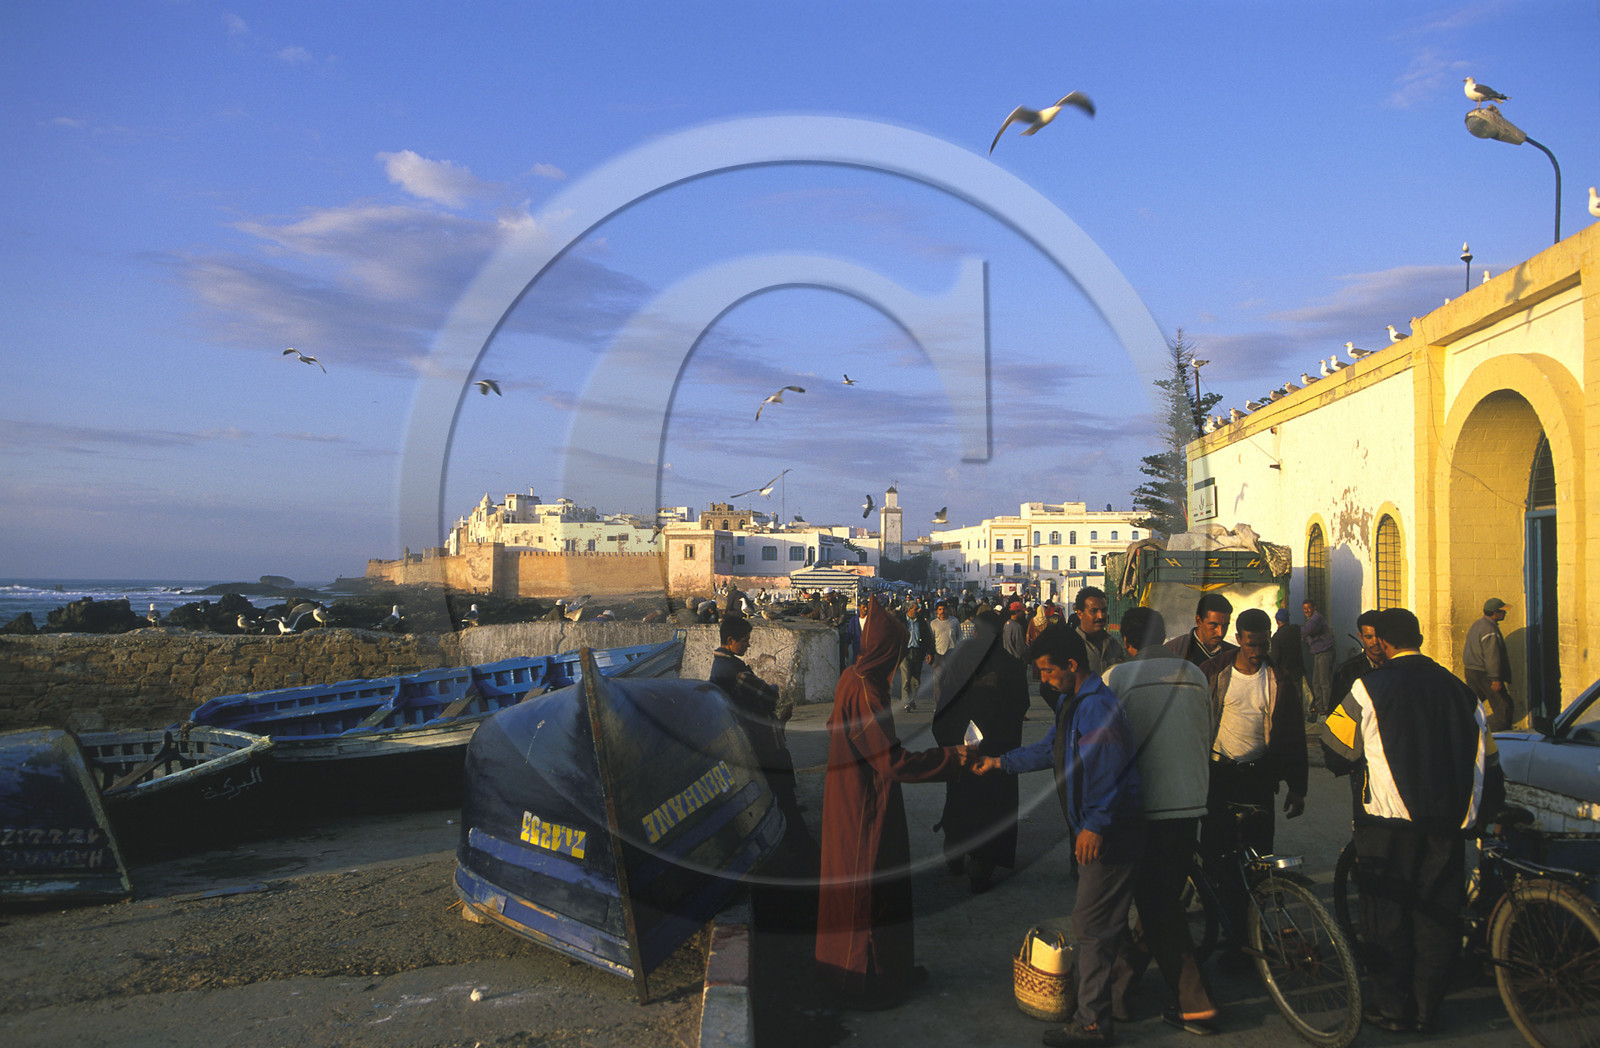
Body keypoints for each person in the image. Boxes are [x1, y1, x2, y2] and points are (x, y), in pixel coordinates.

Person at [1321, 608, 1504, 1035]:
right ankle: (1427, 1011)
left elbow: (1333, 748)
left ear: (1382, 642)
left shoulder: (1367, 687)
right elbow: (1489, 760)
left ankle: (1392, 1009)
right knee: (1438, 915)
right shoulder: (1461, 692)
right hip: (1448, 823)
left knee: (1387, 914)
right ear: (1418, 638)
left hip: (1387, 822)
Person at [976, 623, 1142, 1046]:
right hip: (1099, 825)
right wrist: (1001, 763)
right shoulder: (1074, 700)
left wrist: (1094, 827)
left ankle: (1092, 1022)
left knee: (1090, 925)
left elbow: (1108, 772)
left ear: (1072, 665)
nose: (1045, 681)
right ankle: (1120, 997)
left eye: (1048, 672)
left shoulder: (1096, 708)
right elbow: (1049, 749)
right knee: (1109, 922)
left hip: (1112, 830)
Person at [815, 596, 974, 1010]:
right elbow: (892, 761)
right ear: (888, 651)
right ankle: (864, 980)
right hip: (863, 803)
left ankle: (888, 968)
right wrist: (952, 758)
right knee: (867, 887)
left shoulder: (853, 676)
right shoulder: (867, 691)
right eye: (899, 651)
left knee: (877, 884)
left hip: (854, 797)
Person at [1103, 607, 1219, 1036]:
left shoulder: (1117, 678)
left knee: (1153, 905)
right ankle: (1118, 991)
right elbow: (1207, 730)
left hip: (1144, 807)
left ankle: (1196, 1002)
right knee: (1161, 898)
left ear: (1127, 642)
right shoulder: (1195, 673)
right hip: (1191, 802)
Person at [1199, 607, 1307, 935]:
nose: (1258, 653)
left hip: (1259, 779)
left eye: (1263, 646)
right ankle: (1222, 927)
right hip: (1219, 777)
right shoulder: (1212, 673)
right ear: (1238, 640)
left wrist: (1297, 786)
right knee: (1217, 860)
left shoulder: (1280, 679)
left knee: (1260, 863)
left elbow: (1292, 734)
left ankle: (1252, 934)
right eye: (1251, 646)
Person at [925, 609, 1031, 892]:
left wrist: (949, 743)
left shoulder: (960, 659)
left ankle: (955, 853)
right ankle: (981, 868)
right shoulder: (1010, 664)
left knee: (960, 800)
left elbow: (945, 703)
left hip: (961, 749)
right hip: (997, 751)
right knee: (993, 808)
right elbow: (1021, 705)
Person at [708, 614, 813, 863]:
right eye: (745, 641)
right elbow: (769, 695)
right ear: (730, 640)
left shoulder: (721, 666)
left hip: (753, 733)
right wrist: (773, 689)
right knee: (782, 793)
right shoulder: (734, 670)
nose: (748, 645)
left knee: (780, 793)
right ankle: (803, 849)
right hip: (760, 740)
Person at [1463, 597, 1513, 732]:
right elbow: (1492, 655)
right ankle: (1498, 734)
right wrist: (1495, 678)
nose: (1505, 613)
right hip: (1484, 673)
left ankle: (1464, 728)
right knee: (1503, 706)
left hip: (1471, 670)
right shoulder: (1490, 630)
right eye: (1502, 611)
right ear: (1495, 613)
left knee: (1472, 704)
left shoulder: (1477, 625)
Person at [1165, 593, 1237, 668]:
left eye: (1225, 626)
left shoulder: (1236, 654)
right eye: (1213, 625)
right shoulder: (1172, 651)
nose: (1220, 633)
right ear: (1198, 621)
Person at [1072, 587, 1127, 676]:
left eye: (1104, 610)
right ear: (1080, 614)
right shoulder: (1070, 646)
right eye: (1094, 611)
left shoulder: (1113, 645)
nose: (1101, 616)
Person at [1270, 608, 1306, 717]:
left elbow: (1275, 658)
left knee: (1285, 700)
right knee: (1298, 699)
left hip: (1284, 674)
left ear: (1276, 621)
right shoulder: (1295, 631)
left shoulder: (1277, 637)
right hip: (1298, 672)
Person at [1302, 599, 1334, 717]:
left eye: (1308, 608)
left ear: (1314, 607)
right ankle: (1320, 706)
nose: (1306, 611)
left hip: (1325, 652)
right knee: (1316, 681)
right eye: (1304, 608)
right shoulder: (1310, 620)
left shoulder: (1316, 619)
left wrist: (1294, 631)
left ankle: (1326, 709)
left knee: (1324, 682)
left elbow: (1307, 631)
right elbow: (1305, 636)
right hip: (1318, 653)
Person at [899, 598, 929, 712]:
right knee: (906, 678)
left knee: (916, 681)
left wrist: (929, 652)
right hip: (905, 652)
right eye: (916, 609)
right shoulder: (901, 621)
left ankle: (912, 699)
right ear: (909, 609)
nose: (918, 610)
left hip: (917, 652)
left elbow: (927, 638)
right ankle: (906, 702)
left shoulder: (921, 621)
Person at [927, 600, 957, 669]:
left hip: (952, 653)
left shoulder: (954, 621)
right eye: (940, 609)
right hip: (938, 654)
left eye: (944, 609)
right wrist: (930, 653)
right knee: (938, 678)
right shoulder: (933, 623)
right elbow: (931, 639)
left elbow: (959, 636)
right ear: (937, 611)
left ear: (947, 610)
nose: (942, 611)